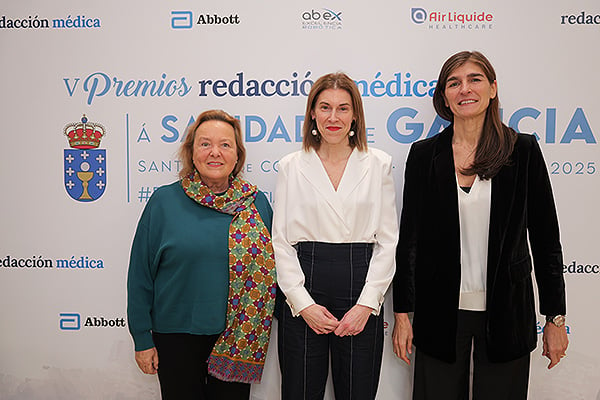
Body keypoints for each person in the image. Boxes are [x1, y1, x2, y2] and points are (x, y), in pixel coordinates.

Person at [392, 51, 568, 399]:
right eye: (453, 83)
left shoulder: (523, 150)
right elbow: (409, 241)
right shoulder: (425, 155)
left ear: (492, 88)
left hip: (507, 313)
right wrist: (401, 314)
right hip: (439, 315)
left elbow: (547, 241)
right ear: (444, 96)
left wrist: (555, 318)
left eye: (474, 79)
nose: (464, 89)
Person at [127, 109, 277, 400]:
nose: (215, 153)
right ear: (191, 153)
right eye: (205, 144)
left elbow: (275, 270)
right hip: (175, 338)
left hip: (238, 337)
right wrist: (142, 339)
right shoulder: (164, 201)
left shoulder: (256, 204)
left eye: (225, 145)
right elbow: (140, 275)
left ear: (237, 156)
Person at [272, 72, 399, 400]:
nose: (333, 117)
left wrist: (367, 305)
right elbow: (282, 242)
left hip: (361, 285)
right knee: (299, 392)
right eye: (324, 107)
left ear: (355, 114)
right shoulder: (291, 166)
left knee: (358, 391)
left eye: (343, 108)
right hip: (304, 286)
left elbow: (387, 242)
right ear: (312, 113)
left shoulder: (378, 164)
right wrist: (302, 304)